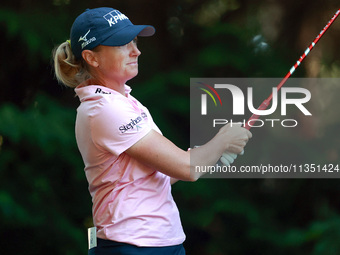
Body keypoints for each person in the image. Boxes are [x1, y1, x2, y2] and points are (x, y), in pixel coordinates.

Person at [52, 7, 252, 255]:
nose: (136, 50)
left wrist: (211, 152)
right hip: (133, 246)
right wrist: (222, 140)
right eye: (122, 44)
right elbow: (186, 168)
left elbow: (161, 173)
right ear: (92, 58)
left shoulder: (124, 102)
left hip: (159, 242)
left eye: (133, 41)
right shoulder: (104, 109)